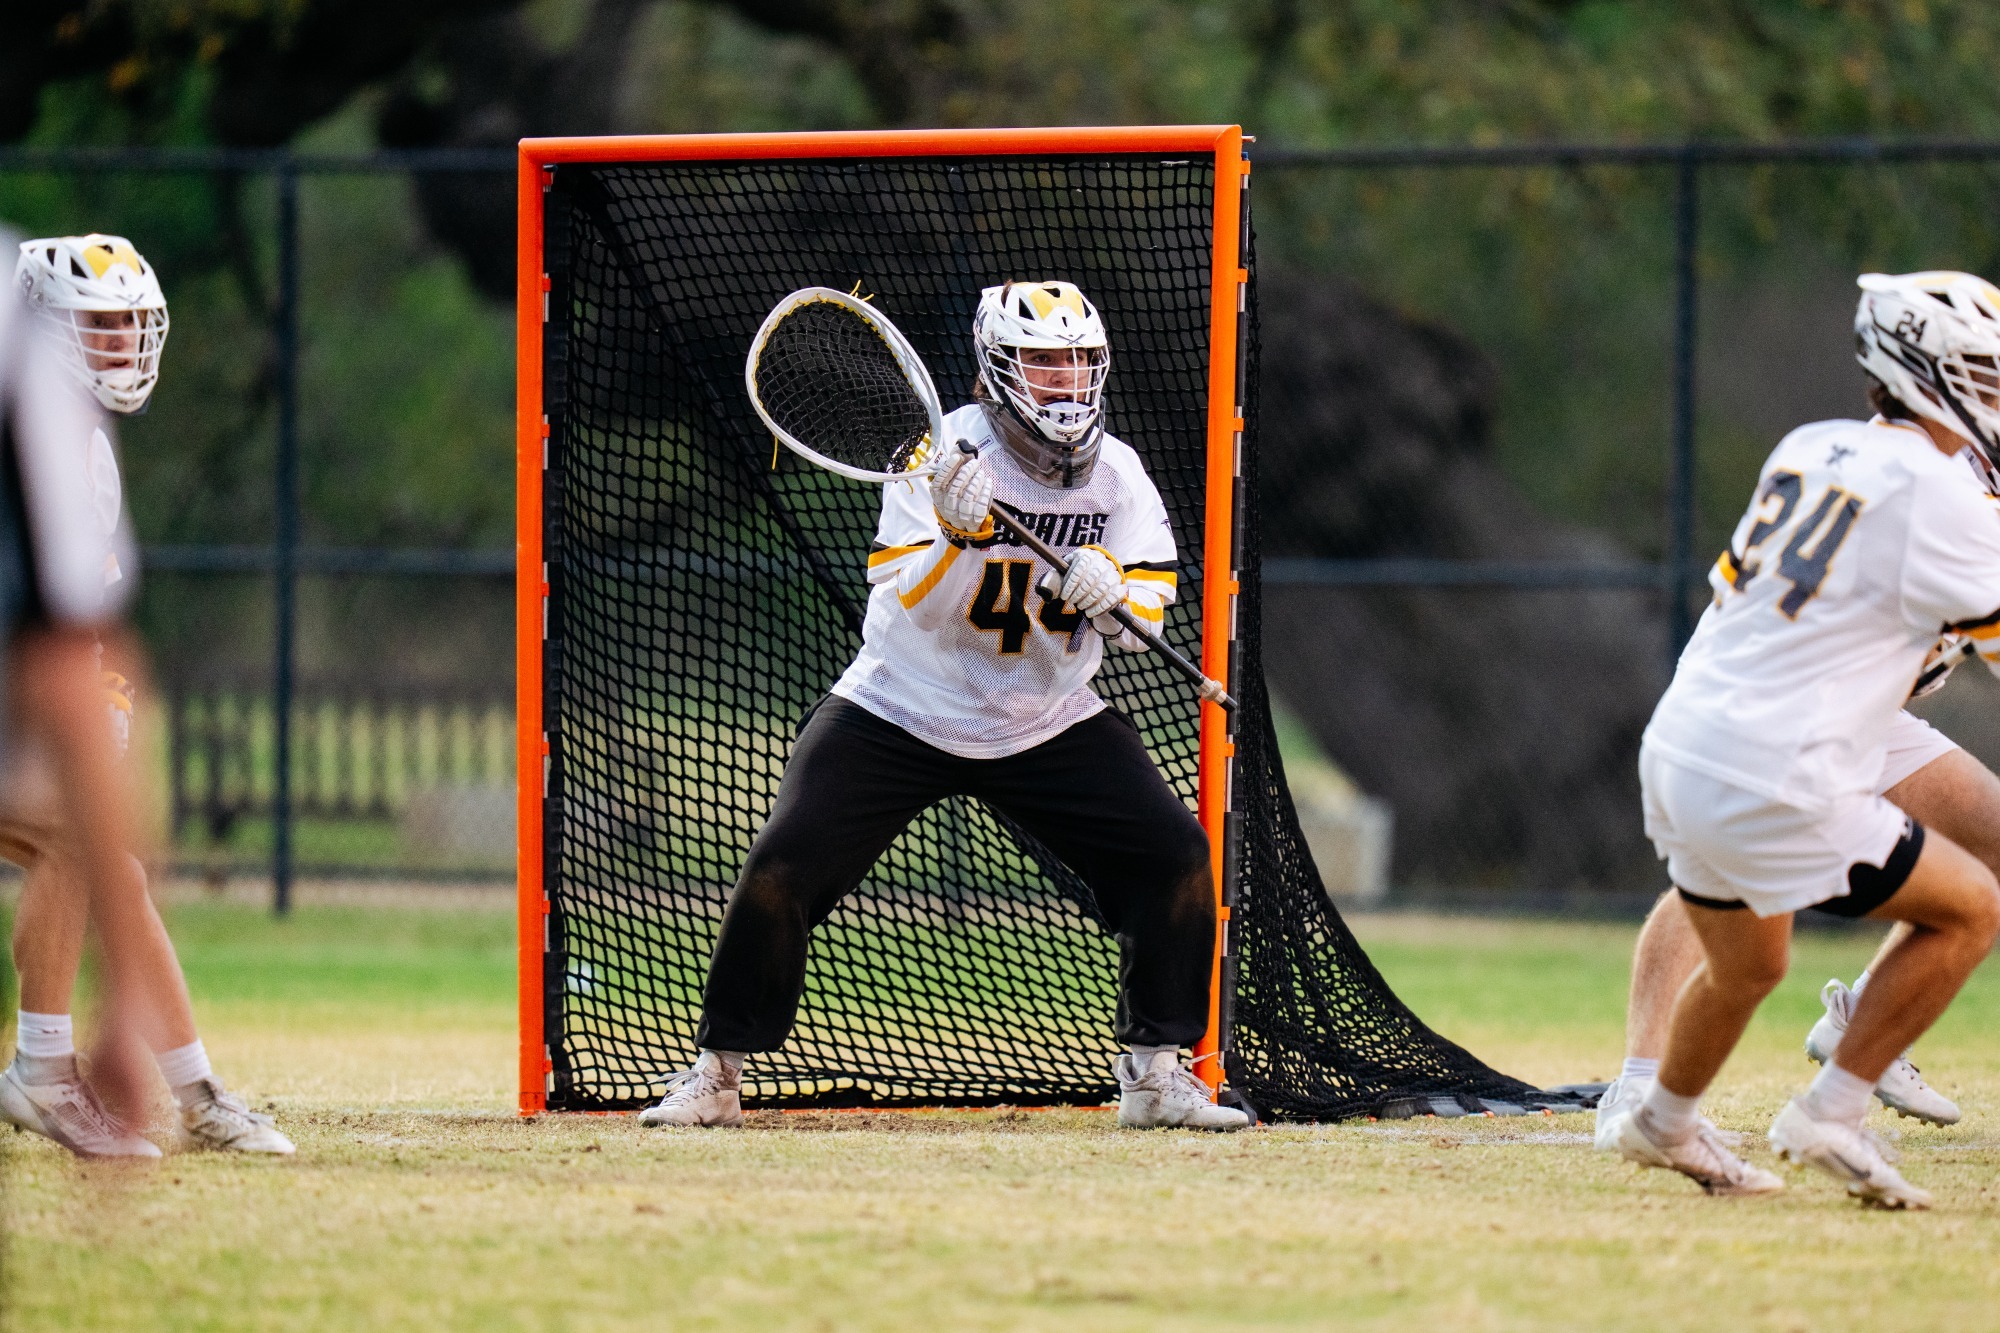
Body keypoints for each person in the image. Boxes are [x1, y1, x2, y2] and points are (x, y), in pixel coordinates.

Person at [641, 280, 1245, 1131]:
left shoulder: (1119, 475)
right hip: (903, 703)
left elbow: (1147, 610)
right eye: (1042, 361)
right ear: (997, 369)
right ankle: (717, 1073)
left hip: (1043, 716)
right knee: (781, 869)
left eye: (1078, 361)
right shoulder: (939, 455)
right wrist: (959, 536)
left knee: (1175, 855)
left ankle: (1155, 1075)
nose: (1064, 380)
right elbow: (913, 601)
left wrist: (1112, 589)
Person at [1595, 270, 2000, 1208]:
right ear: (1928, 374)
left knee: (1751, 963)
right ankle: (1830, 1107)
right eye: (1983, 374)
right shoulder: (1941, 492)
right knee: (1970, 907)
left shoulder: (1812, 445)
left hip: (1698, 733)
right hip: (1788, 744)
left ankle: (1664, 1118)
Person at [0, 233, 292, 1157]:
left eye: (131, 324)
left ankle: (196, 1096)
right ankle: (49, 1069)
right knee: (78, 838)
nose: (122, 343)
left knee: (99, 855)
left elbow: (67, 621)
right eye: (100, 324)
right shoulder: (35, 402)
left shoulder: (74, 431)